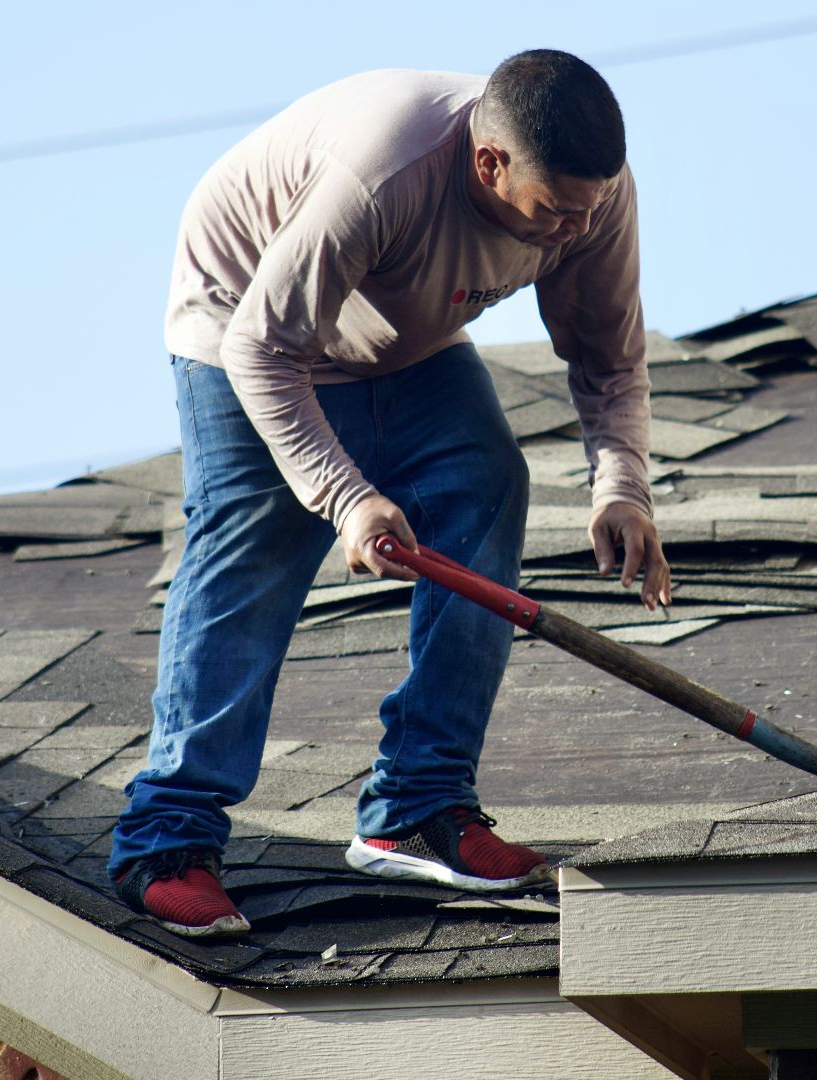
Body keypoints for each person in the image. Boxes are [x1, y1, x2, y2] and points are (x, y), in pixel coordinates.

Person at [107, 50, 669, 937]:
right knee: (253, 547)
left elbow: (609, 357)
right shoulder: (384, 173)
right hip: (245, 324)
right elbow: (263, 348)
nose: (575, 229)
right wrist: (345, 496)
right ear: (490, 163)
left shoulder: (591, 196)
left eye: (588, 207)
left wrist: (623, 487)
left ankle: (415, 808)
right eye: (556, 212)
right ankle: (166, 841)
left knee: (486, 482)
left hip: (402, 338)